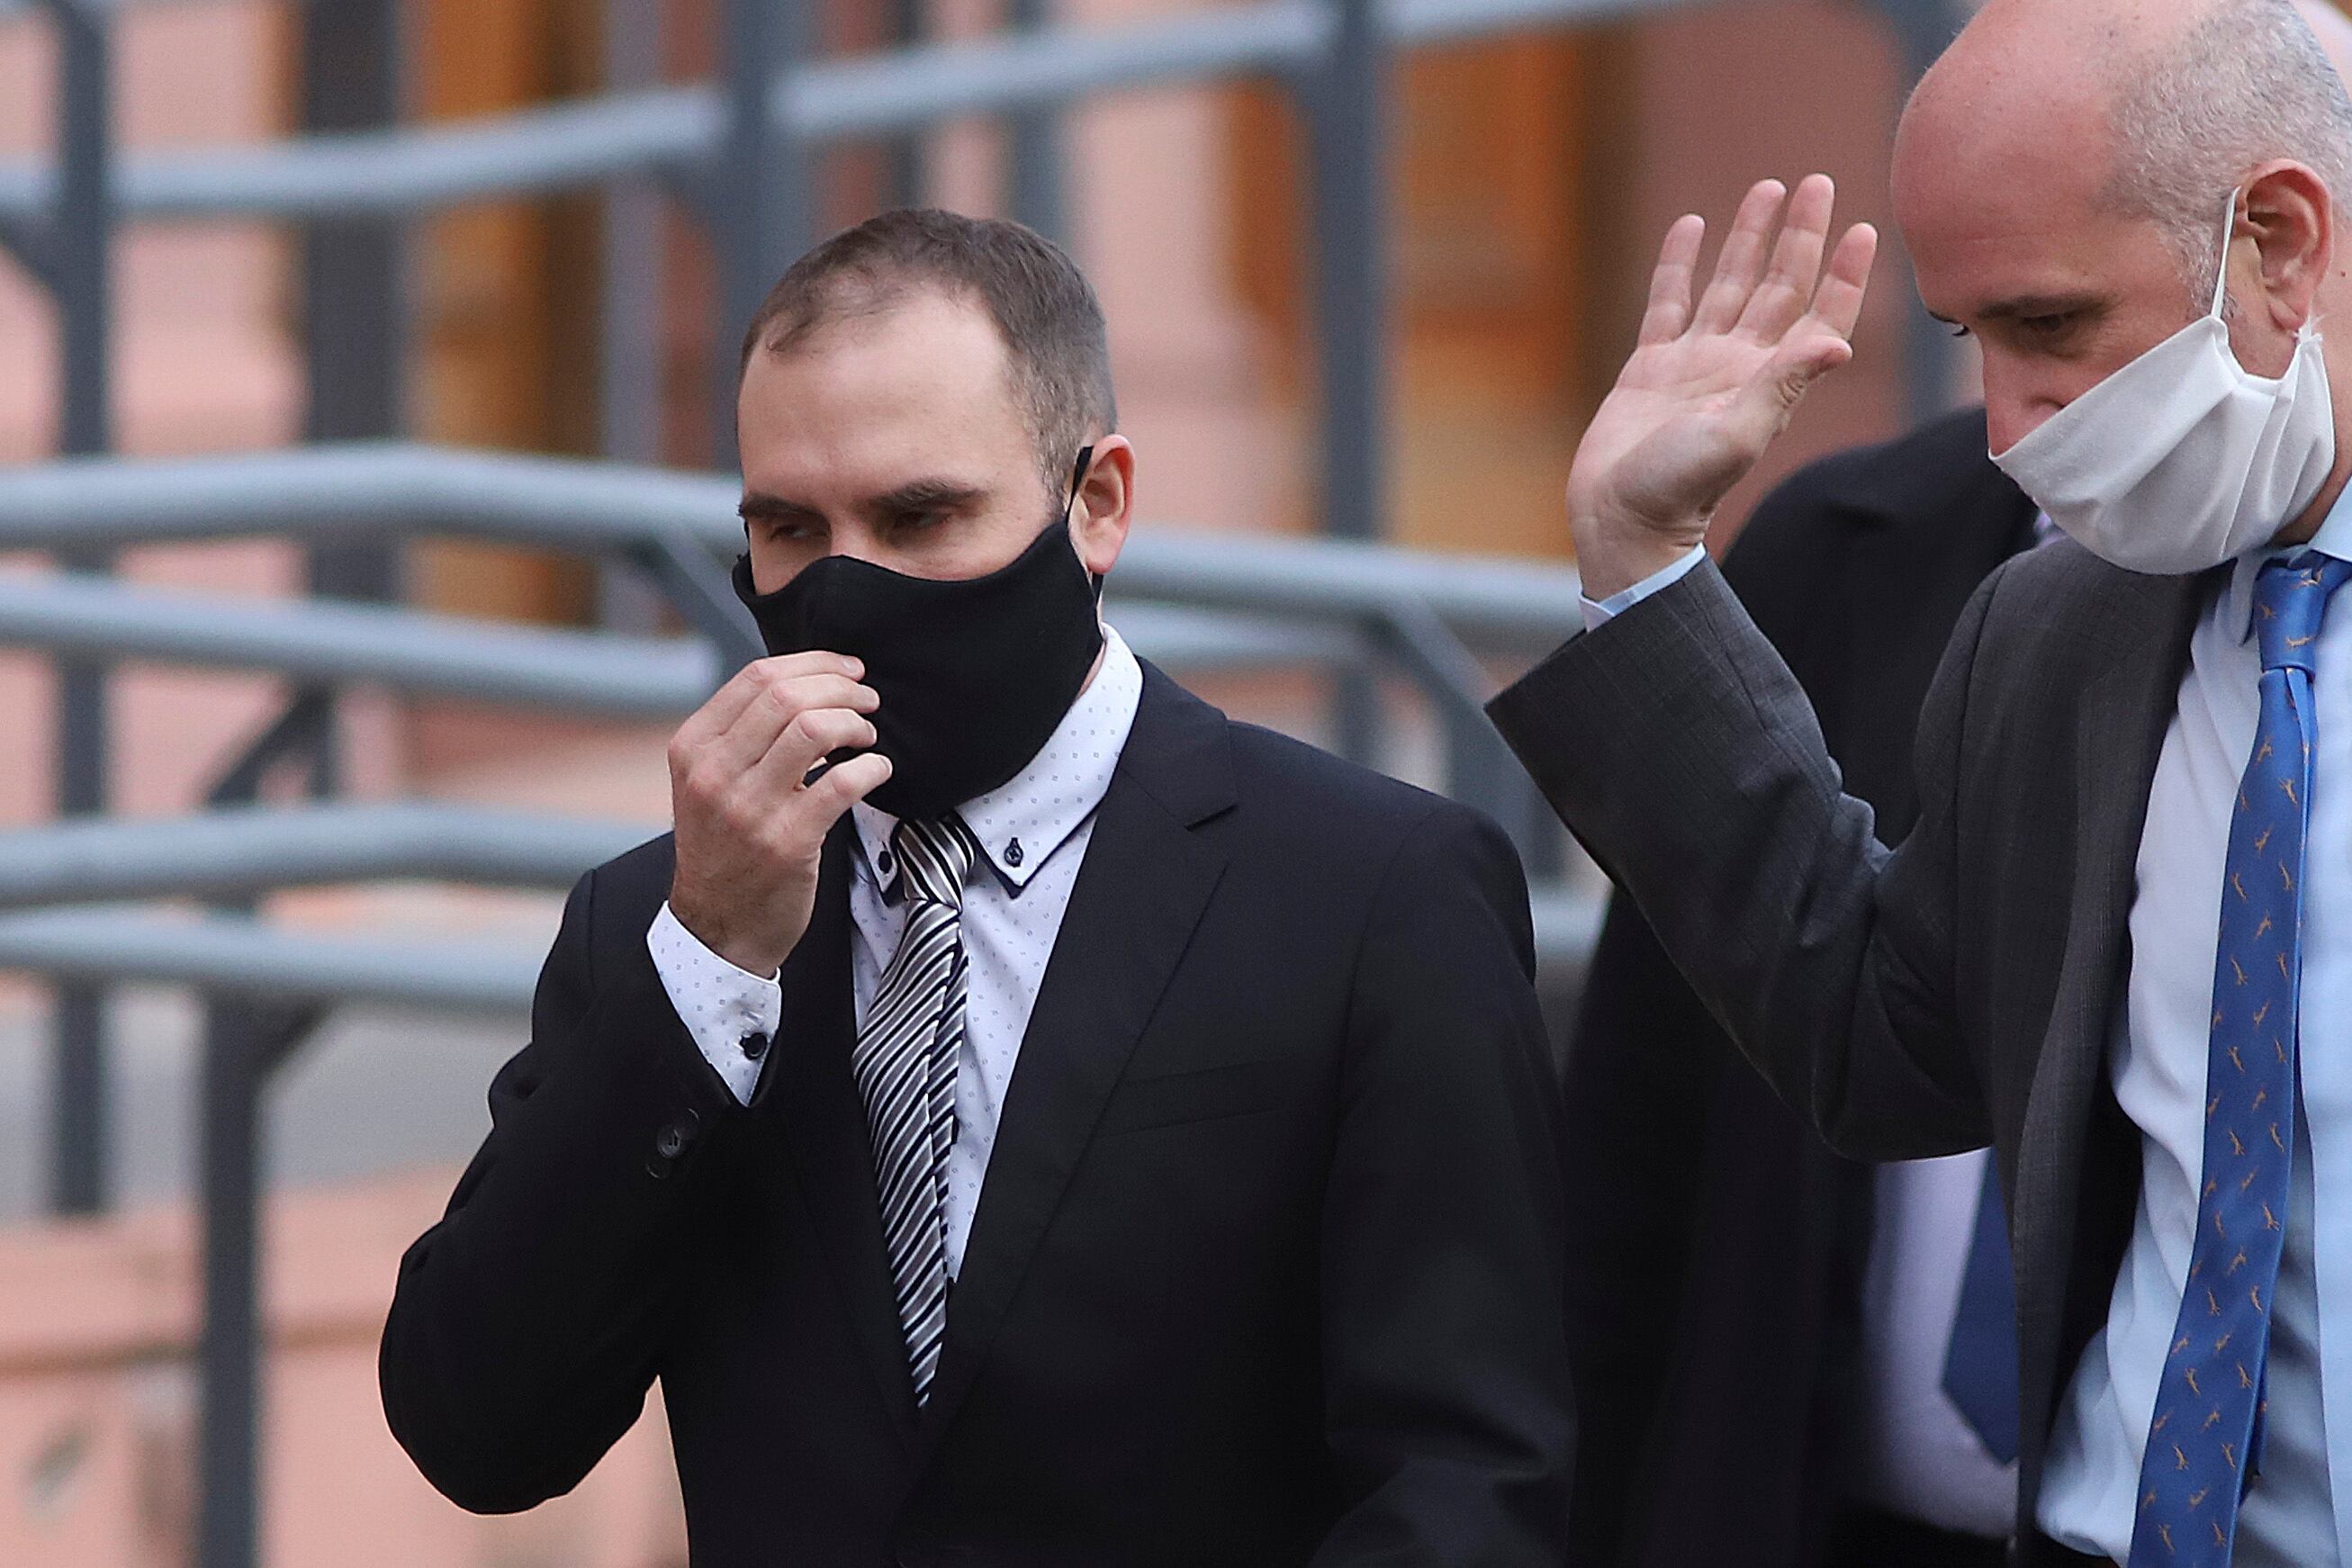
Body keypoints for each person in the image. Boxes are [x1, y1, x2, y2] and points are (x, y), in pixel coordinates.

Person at [379, 209, 1575, 1565]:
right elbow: (478, 1424)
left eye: (919, 517)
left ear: (1096, 503)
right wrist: (708, 966)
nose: (847, 588)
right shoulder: (661, 925)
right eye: (789, 528)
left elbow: (1466, 1479)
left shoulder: (1372, 891)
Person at [1489, 0, 2352, 1563]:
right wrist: (1641, 559)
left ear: (2278, 243)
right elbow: (1885, 1036)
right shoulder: (2056, 627)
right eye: (1969, 342)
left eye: (2048, 325)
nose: (2005, 428)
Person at [1560, 410, 2041, 1568]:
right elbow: (1644, 1133)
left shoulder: (2282, 632)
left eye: (2058, 327)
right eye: (1968, 333)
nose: (2017, 406)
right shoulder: (1849, 535)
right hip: (1821, 1515)